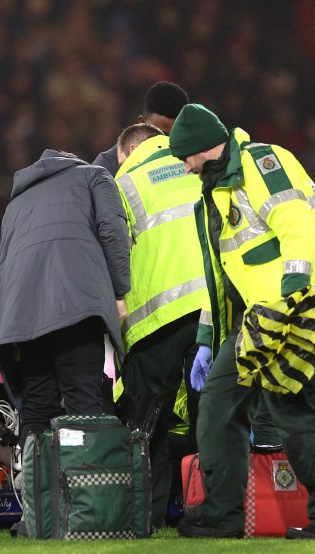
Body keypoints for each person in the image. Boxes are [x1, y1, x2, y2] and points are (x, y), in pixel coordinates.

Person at [169, 104, 315, 540]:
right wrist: (206, 335)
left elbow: (295, 222)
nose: (184, 167)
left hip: (296, 311)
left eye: (186, 156)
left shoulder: (259, 161)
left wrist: (294, 293)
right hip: (256, 322)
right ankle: (223, 514)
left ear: (203, 147)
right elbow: (224, 277)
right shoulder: (217, 193)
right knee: (218, 405)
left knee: (294, 414)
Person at [0, 150, 130, 446]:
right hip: (76, 303)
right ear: (72, 160)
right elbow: (113, 229)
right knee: (84, 404)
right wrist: (119, 291)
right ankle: (84, 487)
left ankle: (32, 486)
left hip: (24, 315)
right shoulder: (93, 175)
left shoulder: (16, 202)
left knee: (38, 406)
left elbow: (4, 265)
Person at [114, 123, 206, 528]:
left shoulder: (127, 180)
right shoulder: (198, 168)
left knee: (146, 420)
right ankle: (211, 511)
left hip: (157, 318)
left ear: (132, 147)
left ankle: (144, 515)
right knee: (212, 417)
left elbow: (114, 249)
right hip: (211, 310)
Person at [92, 81, 190, 177]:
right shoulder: (106, 169)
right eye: (158, 135)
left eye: (172, 137)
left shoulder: (194, 159)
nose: (164, 143)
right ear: (141, 123)